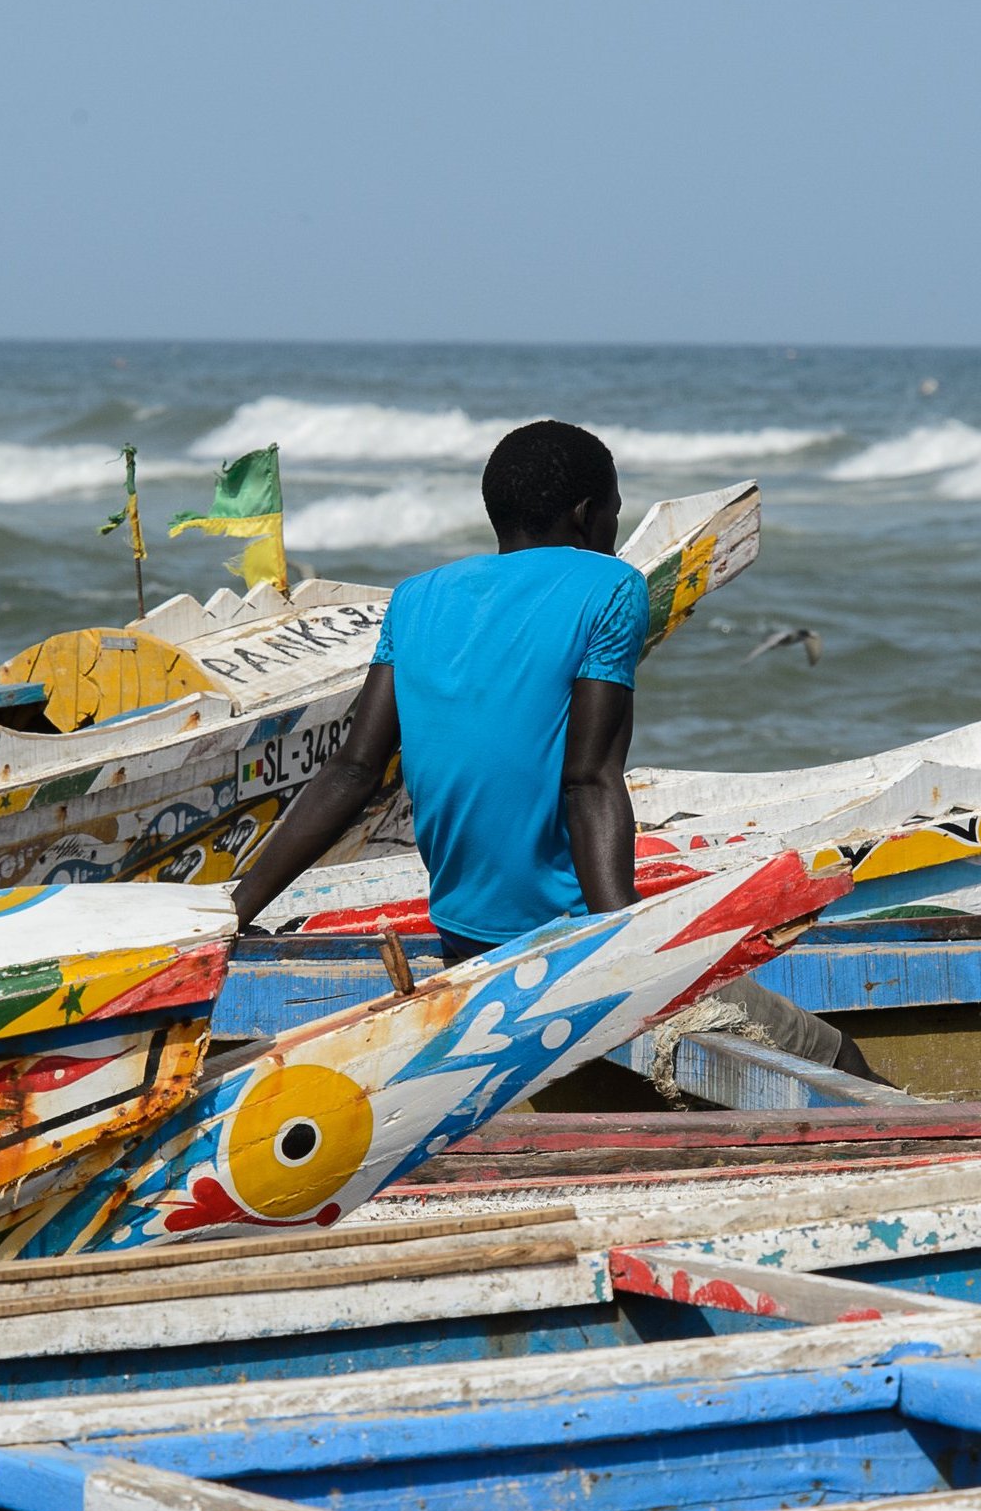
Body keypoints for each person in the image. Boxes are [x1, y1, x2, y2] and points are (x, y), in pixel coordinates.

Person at [231, 418, 883, 1083]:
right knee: (838, 1059)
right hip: (570, 942)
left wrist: (235, 912)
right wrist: (623, 947)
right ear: (587, 515)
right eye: (614, 513)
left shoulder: (417, 597)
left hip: (466, 937)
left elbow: (351, 770)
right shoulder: (610, 586)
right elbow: (590, 780)